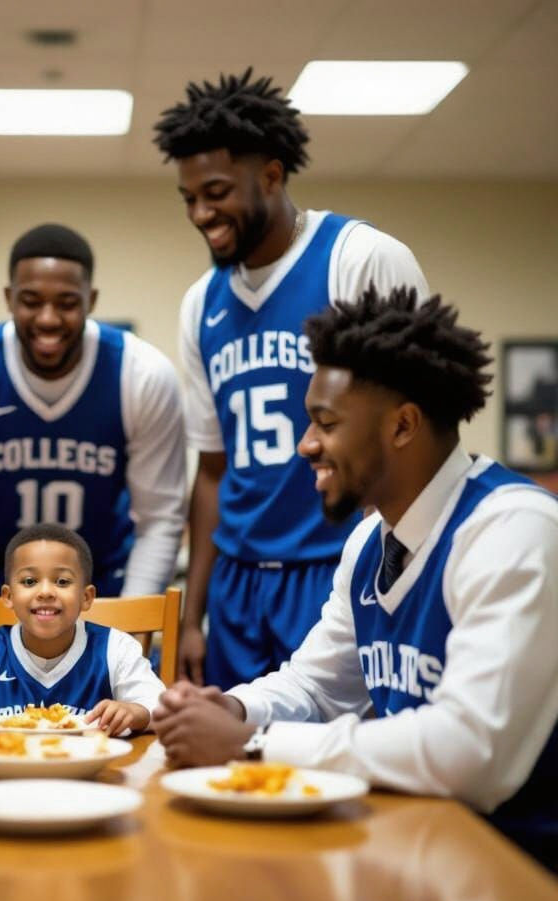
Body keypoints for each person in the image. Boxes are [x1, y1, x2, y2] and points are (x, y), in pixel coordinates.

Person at [154, 286, 558, 868]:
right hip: (413, 852)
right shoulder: (370, 540)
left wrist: (256, 745)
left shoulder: (512, 530)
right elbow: (317, 687)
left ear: (402, 426)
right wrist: (231, 711)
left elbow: (472, 752)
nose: (305, 444)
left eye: (326, 422)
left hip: (516, 875)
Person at [153, 68, 429, 689]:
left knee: (339, 764)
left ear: (272, 175)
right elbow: (213, 471)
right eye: (190, 198)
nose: (201, 213)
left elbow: (418, 436)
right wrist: (191, 614)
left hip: (337, 563)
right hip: (237, 582)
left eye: (217, 192)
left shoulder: (359, 259)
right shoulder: (201, 303)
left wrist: (401, 573)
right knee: (231, 762)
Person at [0, 223, 186, 598]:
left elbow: (160, 519)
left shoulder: (142, 374)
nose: (47, 318)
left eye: (66, 303)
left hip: (103, 582)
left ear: (90, 301)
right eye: (31, 301)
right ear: (9, 298)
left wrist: (132, 629)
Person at [0, 524, 165, 735]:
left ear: (86, 597)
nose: (45, 592)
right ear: (8, 596)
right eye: (29, 581)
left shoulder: (115, 647)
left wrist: (135, 712)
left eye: (63, 582)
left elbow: (160, 706)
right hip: (3, 775)